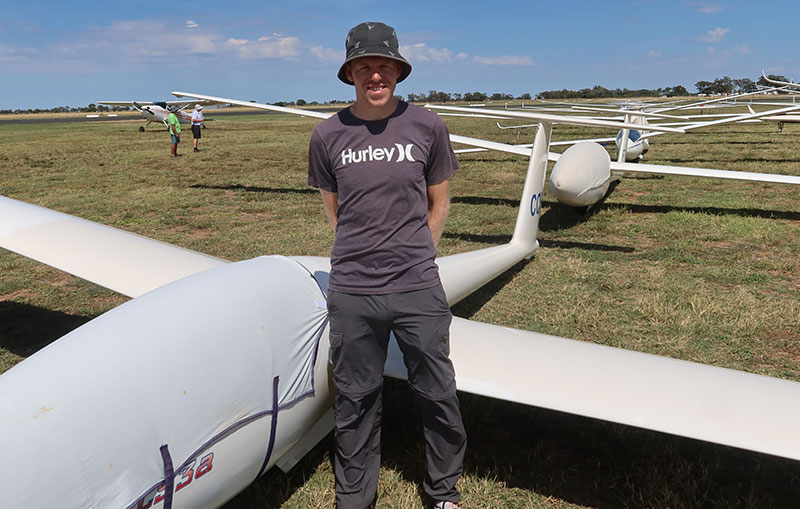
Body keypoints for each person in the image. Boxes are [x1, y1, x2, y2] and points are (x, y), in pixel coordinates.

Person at [307, 21, 466, 509]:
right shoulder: (327, 135)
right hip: (353, 290)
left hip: (417, 285)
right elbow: (336, 211)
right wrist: (364, 252)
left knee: (437, 393)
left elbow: (439, 201)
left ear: (398, 71)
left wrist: (419, 251)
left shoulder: (427, 126)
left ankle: (443, 492)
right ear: (350, 73)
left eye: (384, 66)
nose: (375, 75)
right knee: (355, 399)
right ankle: (355, 498)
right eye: (364, 67)